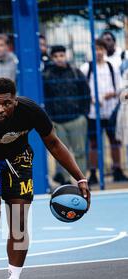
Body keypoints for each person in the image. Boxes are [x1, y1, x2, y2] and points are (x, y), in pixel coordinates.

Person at [0, 78, 90, 279]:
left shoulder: (31, 110)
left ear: (16, 101)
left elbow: (53, 143)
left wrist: (79, 176)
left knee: (19, 219)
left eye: (6, 103)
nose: (0, 109)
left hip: (19, 159)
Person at [81, 38, 127, 184]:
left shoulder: (111, 67)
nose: (98, 52)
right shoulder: (86, 68)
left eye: (101, 49)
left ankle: (117, 169)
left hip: (110, 110)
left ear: (105, 51)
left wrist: (111, 95)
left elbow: (119, 87)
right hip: (93, 112)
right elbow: (82, 89)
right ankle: (93, 173)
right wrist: (91, 99)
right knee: (93, 143)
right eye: (96, 49)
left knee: (114, 142)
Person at [43, 45, 91, 184]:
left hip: (77, 119)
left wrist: (84, 114)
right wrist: (50, 118)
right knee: (60, 152)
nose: (59, 59)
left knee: (80, 152)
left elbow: (86, 93)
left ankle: (82, 181)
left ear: (66, 56)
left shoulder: (76, 73)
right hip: (57, 121)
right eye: (56, 56)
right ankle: (65, 181)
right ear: (52, 58)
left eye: (62, 55)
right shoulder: (47, 76)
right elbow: (45, 97)